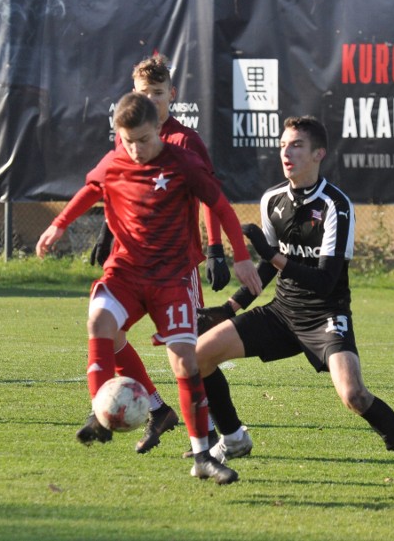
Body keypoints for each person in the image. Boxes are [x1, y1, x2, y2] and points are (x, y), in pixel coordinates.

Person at [195, 115, 394, 492]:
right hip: (282, 313)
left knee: (354, 395)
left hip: (325, 316)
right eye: (283, 145)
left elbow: (325, 279)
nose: (286, 152)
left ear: (319, 154)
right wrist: (231, 307)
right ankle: (232, 437)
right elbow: (268, 269)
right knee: (199, 356)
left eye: (296, 145)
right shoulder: (272, 200)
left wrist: (274, 256)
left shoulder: (336, 206)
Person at [36, 92, 262, 484]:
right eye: (127, 140)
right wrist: (59, 224)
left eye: (142, 139)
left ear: (159, 128)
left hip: (170, 279)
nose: (135, 149)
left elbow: (221, 206)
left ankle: (202, 457)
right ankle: (99, 413)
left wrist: (240, 256)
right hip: (125, 272)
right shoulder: (115, 161)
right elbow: (91, 189)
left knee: (186, 363)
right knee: (100, 322)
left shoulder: (183, 163)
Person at [86, 54, 228, 455]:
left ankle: (220, 432)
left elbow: (210, 198)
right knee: (110, 332)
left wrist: (215, 247)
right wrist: (104, 230)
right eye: (143, 93)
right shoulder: (128, 135)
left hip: (176, 268)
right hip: (133, 264)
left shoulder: (185, 141)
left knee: (191, 352)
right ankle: (157, 408)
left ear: (173, 95)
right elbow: (117, 188)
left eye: (158, 93)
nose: (151, 100)